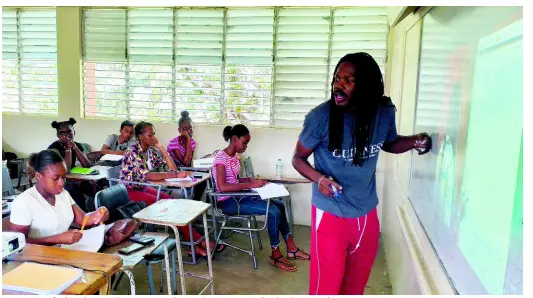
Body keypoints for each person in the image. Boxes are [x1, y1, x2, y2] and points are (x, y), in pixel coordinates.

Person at [292, 52, 431, 295]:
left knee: (355, 288)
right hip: (331, 214)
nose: (338, 85)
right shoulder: (320, 117)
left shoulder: (383, 111)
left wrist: (415, 141)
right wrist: (319, 179)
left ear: (366, 85)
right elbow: (298, 158)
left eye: (348, 80)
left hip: (367, 216)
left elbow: (388, 143)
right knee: (326, 289)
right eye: (337, 78)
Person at [213, 124, 310, 272]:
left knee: (279, 205)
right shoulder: (221, 157)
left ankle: (291, 248)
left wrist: (252, 181)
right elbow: (223, 187)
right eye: (244, 142)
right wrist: (251, 185)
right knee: (272, 211)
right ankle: (276, 255)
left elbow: (235, 180)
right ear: (234, 139)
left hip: (239, 197)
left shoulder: (234, 158)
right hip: (228, 202)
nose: (246, 146)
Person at [120, 121, 223, 257]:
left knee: (172, 201)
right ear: (140, 136)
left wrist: (162, 148)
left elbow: (172, 167)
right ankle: (198, 242)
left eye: (154, 135)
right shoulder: (132, 151)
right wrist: (174, 175)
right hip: (129, 191)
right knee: (168, 206)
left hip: (142, 188)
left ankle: (195, 244)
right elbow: (147, 175)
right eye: (150, 135)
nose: (154, 138)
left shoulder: (150, 152)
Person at [9, 150, 109, 245]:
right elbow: (18, 242)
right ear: (38, 176)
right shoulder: (24, 202)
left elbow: (82, 219)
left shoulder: (63, 194)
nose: (62, 183)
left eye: (64, 177)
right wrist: (57, 239)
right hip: (38, 257)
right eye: (55, 178)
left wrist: (97, 214)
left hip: (64, 250)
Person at [47, 118, 92, 211]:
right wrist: (68, 147)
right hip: (58, 181)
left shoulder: (76, 145)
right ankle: (81, 216)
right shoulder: (53, 149)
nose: (66, 135)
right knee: (75, 192)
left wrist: (74, 147)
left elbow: (87, 165)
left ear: (74, 132)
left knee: (93, 187)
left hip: (72, 179)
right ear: (58, 135)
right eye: (62, 133)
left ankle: (95, 211)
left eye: (69, 131)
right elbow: (65, 170)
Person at [167, 110, 207, 201]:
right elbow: (184, 163)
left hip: (187, 173)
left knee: (204, 179)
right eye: (185, 128)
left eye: (190, 127)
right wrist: (188, 140)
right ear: (179, 130)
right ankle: (191, 204)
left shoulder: (193, 143)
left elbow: (188, 164)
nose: (189, 130)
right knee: (199, 180)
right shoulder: (173, 143)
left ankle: (194, 203)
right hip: (175, 175)